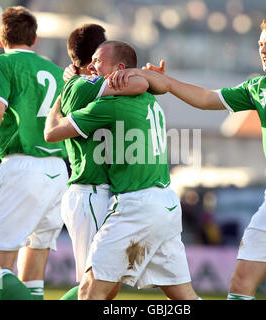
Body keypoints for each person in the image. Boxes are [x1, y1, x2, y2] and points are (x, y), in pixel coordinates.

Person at [110, 16, 266, 300]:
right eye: (261, 44)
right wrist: (167, 82)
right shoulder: (260, 87)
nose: (263, 50)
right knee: (240, 283)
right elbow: (208, 98)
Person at [44, 40, 199, 300]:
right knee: (183, 295)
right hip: (167, 204)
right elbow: (150, 84)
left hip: (135, 205)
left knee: (91, 288)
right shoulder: (151, 100)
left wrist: (58, 104)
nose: (92, 66)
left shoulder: (110, 106)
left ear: (120, 68)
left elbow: (52, 133)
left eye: (98, 61)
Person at [0, 6, 69, 300]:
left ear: (0, 39)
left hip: (23, 166)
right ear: (34, 40)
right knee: (33, 278)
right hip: (57, 171)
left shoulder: (1, 63)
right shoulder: (54, 70)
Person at [54, 29, 152, 300]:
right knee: (93, 284)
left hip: (90, 192)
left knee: (102, 283)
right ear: (95, 58)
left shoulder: (76, 85)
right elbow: (141, 85)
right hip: (91, 191)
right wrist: (143, 75)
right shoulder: (88, 86)